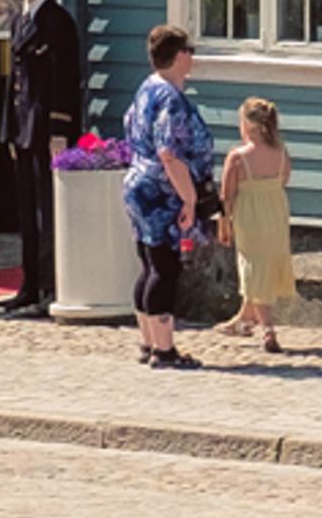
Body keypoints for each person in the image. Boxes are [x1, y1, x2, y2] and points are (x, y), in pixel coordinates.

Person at [123, 23, 215, 369]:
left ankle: (148, 342)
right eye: (189, 51)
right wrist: (189, 199)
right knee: (165, 265)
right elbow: (169, 153)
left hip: (139, 182)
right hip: (162, 190)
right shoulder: (171, 100)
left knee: (149, 262)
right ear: (178, 56)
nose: (192, 57)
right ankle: (163, 349)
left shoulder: (147, 87)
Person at [0, 0, 81, 316]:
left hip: (47, 128)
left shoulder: (57, 22)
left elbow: (65, 79)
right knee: (27, 213)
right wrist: (9, 130)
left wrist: (59, 129)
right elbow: (15, 80)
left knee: (49, 212)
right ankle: (29, 285)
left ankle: (50, 285)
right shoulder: (20, 19)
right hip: (23, 128)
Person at [218, 96, 293, 353]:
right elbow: (284, 180)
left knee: (253, 267)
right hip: (275, 214)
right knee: (265, 265)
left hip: (249, 216)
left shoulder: (238, 156)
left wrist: (224, 223)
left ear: (248, 125)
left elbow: (226, 195)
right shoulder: (281, 153)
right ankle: (243, 318)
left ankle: (267, 328)